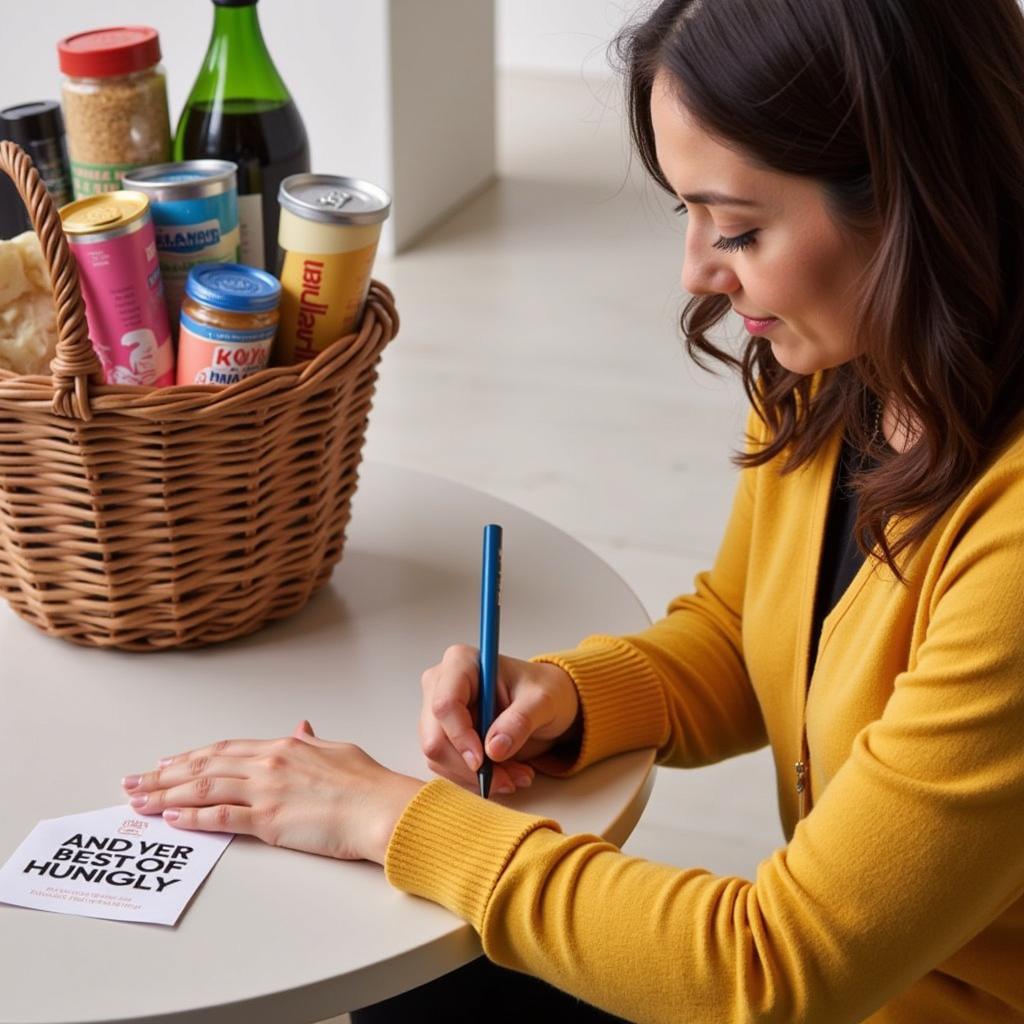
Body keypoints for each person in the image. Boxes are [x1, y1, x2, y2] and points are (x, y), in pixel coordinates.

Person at [119, 0, 1024, 1020]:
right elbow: (744, 627)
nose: (696, 270)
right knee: (417, 957)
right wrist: (572, 695)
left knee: (419, 955)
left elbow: (777, 968)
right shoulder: (857, 357)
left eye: (737, 227)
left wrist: (391, 819)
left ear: (911, 197)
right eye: (687, 214)